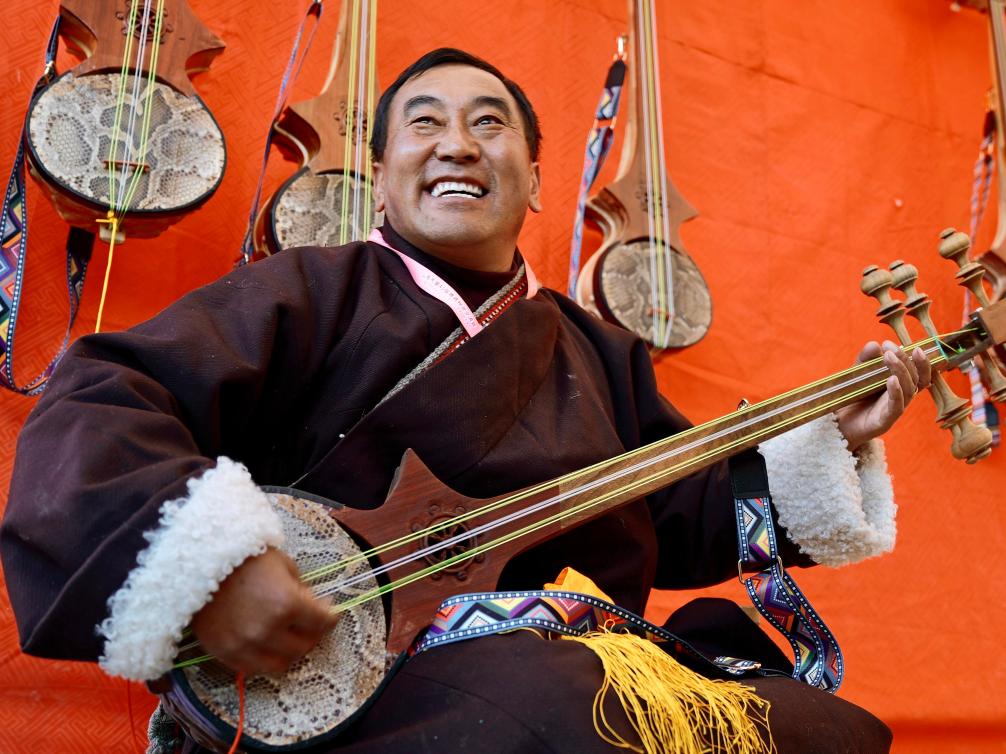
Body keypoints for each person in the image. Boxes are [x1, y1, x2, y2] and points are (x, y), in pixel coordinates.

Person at [1, 48, 930, 753]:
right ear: (381, 175)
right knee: (551, 706)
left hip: (579, 657)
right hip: (369, 677)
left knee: (824, 727)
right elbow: (107, 399)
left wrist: (830, 443)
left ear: (535, 179)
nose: (457, 144)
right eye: (425, 123)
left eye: (490, 124)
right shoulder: (310, 291)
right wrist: (216, 568)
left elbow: (681, 515)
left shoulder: (598, 351)